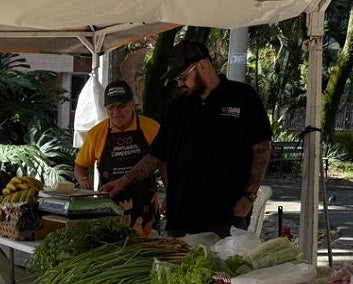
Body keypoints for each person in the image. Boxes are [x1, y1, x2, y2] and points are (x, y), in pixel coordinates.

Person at [99, 41, 272, 237]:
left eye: (183, 76)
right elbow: (156, 156)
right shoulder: (178, 108)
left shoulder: (242, 97)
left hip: (226, 216)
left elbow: (262, 149)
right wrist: (123, 181)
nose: (179, 83)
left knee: (223, 267)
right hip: (180, 217)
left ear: (203, 66)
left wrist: (248, 197)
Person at [74, 80, 161, 234]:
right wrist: (83, 180)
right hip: (110, 206)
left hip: (145, 205)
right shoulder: (96, 133)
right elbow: (80, 166)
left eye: (121, 107)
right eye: (111, 108)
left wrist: (170, 190)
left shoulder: (152, 128)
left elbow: (164, 162)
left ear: (132, 104)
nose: (116, 112)